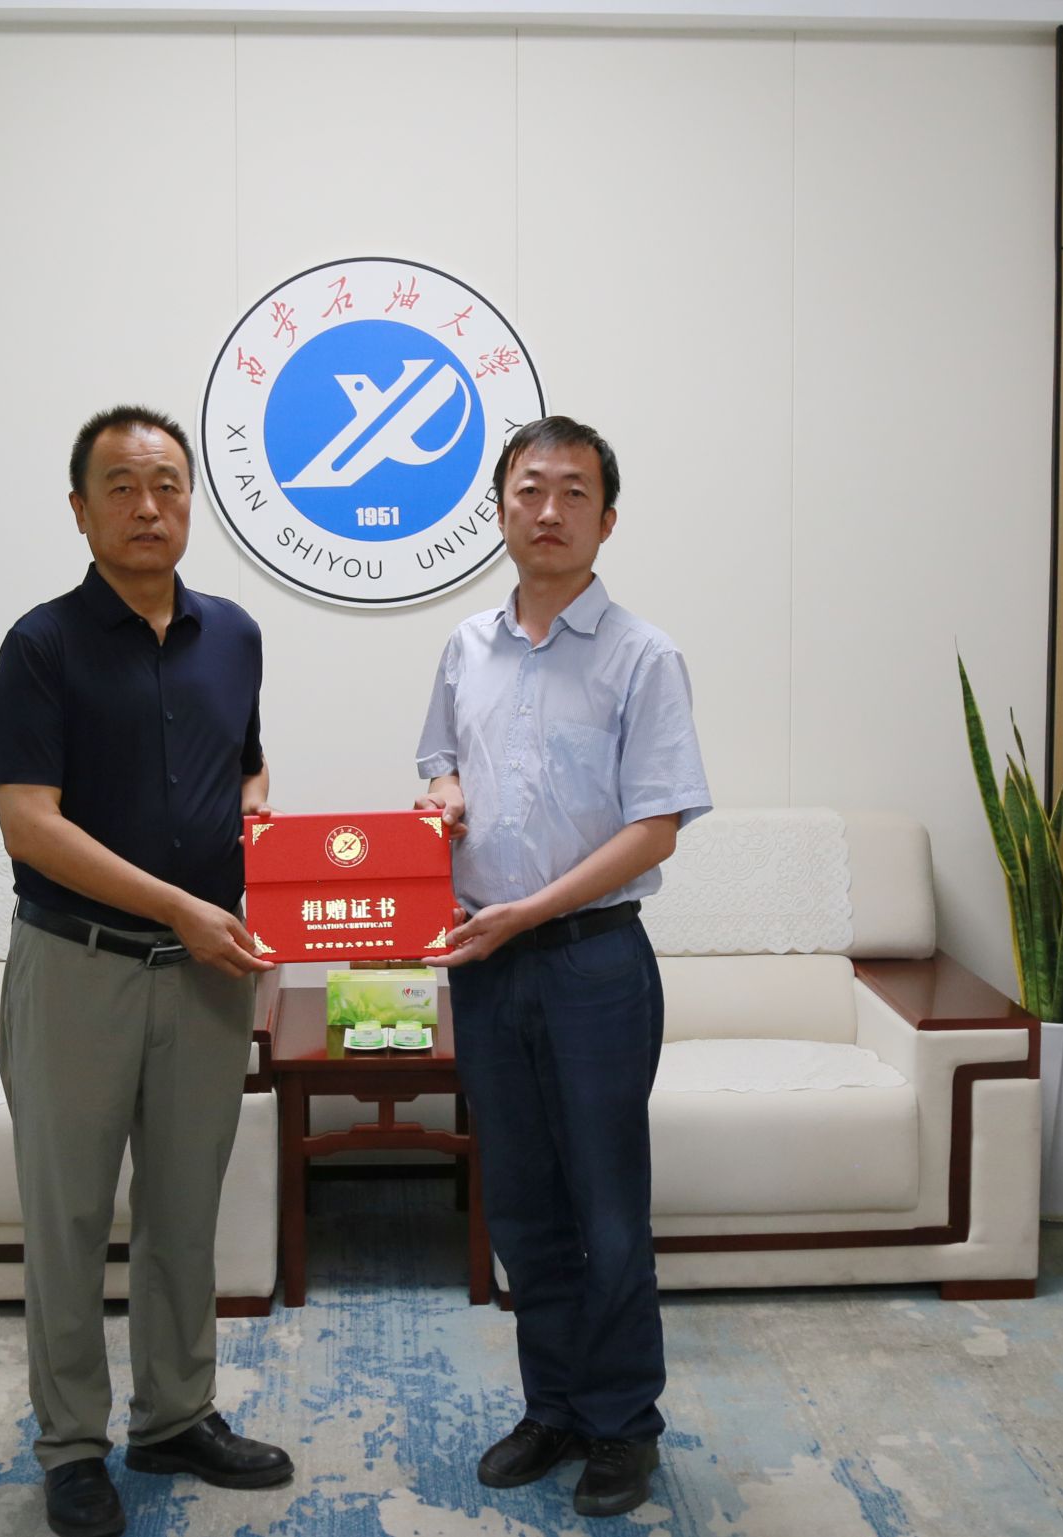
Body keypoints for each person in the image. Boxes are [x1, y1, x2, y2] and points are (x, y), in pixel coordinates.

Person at [0, 405, 292, 1537]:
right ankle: (72, 1445)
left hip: (207, 976)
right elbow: (28, 821)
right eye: (120, 485)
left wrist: (267, 858)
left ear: (191, 502)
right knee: (67, 1216)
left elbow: (247, 772)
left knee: (182, 1209)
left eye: (166, 484)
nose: (146, 506)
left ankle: (175, 1415)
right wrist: (178, 906)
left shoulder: (236, 636)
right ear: (80, 509)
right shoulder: (41, 645)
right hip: (79, 967)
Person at [413, 415, 711, 1520]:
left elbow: (656, 826)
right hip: (486, 967)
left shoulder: (642, 656)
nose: (549, 510)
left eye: (574, 492)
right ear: (498, 509)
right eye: (529, 488)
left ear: (606, 519)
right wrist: (442, 795)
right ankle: (553, 1407)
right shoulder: (464, 646)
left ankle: (623, 1424)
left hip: (592, 963)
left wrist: (529, 911)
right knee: (523, 1202)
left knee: (606, 1207)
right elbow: (438, 760)